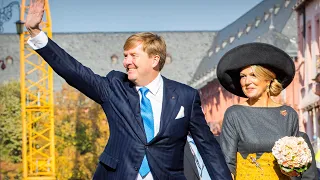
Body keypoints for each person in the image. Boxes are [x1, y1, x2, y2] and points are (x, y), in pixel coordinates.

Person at [25, 0, 232, 179]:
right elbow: (75, 71)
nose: (126, 62)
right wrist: (36, 32)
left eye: (133, 56)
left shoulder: (185, 96)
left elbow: (208, 147)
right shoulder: (114, 87)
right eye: (125, 56)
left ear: (154, 59)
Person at [217, 42, 301, 179]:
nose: (246, 81)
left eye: (253, 75)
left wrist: (294, 170)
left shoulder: (288, 115)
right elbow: (227, 164)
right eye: (243, 76)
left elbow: (296, 164)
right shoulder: (234, 114)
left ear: (268, 80)